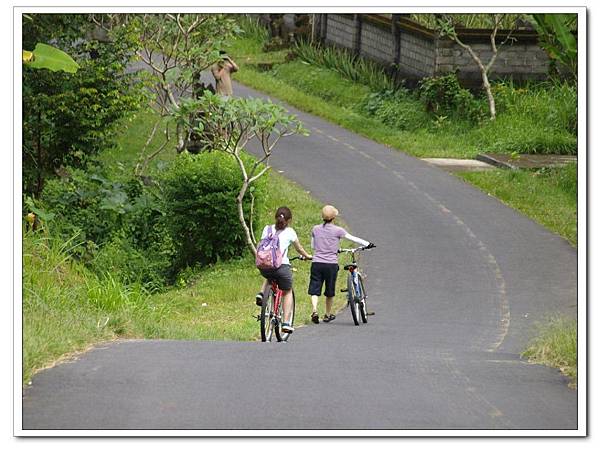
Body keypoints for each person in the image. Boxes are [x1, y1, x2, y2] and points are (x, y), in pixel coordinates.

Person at [309, 205, 374, 323]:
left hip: (317, 262)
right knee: (329, 290)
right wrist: (367, 243)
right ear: (334, 218)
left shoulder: (315, 229)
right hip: (331, 264)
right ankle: (327, 314)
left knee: (314, 289)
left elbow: (313, 246)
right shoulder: (338, 230)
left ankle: (314, 310)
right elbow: (352, 238)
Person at [256, 206, 312, 333]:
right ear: (289, 220)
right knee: (287, 291)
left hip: (264, 266)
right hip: (282, 266)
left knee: (269, 275)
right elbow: (299, 249)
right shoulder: (290, 232)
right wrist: (307, 256)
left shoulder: (267, 228)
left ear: (275, 218)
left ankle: (261, 293)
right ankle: (286, 322)